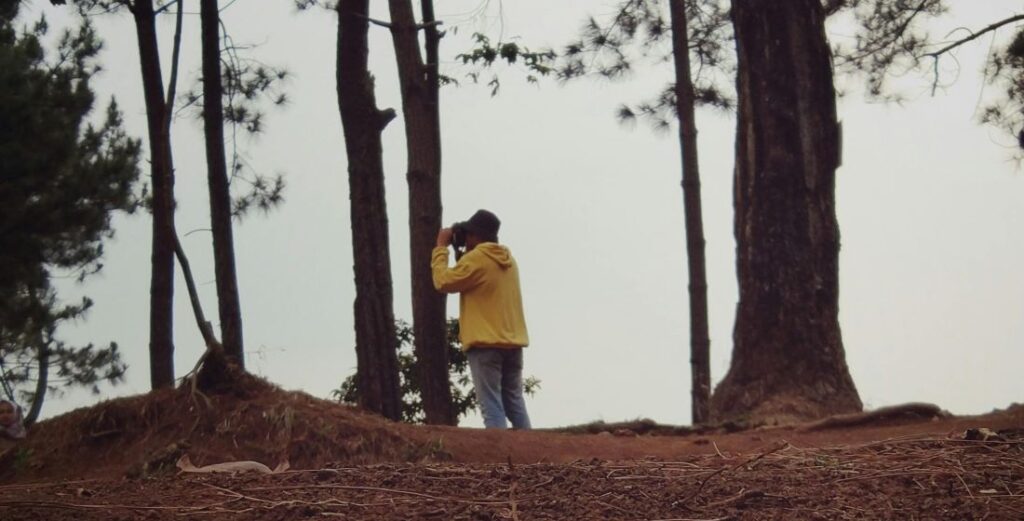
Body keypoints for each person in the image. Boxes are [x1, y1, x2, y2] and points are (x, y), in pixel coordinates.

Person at [431, 209, 531, 430]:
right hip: (513, 343)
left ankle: (502, 459)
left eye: (467, 235)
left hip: (486, 344)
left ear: (476, 236)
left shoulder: (478, 259)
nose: (465, 239)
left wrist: (441, 248)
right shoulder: (509, 261)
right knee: (514, 402)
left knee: (491, 404)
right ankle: (533, 460)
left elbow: (443, 282)